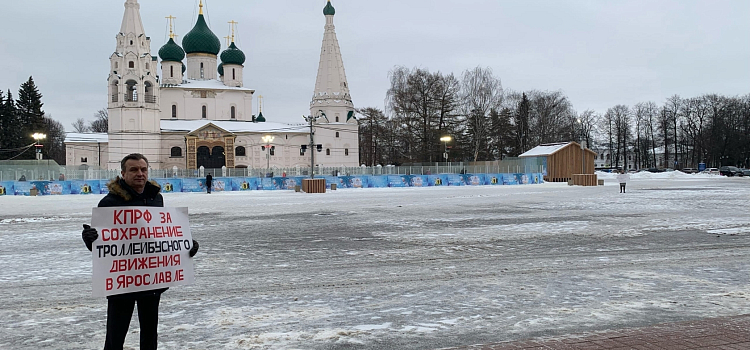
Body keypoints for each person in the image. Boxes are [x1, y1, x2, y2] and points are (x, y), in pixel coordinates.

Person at [81, 153, 199, 350]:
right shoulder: (109, 203)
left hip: (151, 279)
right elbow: (103, 250)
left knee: (150, 334)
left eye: (143, 169)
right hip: (122, 281)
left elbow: (161, 237)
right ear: (123, 173)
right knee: (115, 336)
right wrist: (90, 239)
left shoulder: (156, 199)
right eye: (134, 170)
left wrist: (186, 246)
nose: (140, 174)